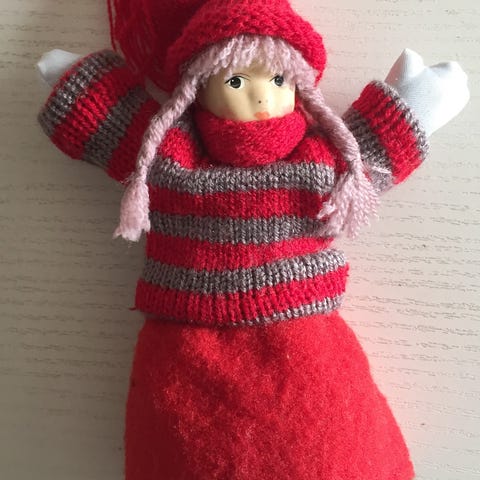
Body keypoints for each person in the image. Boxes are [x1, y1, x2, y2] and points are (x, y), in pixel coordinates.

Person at [36, 0, 469, 478]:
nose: (262, 98)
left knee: (329, 452)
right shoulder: (170, 159)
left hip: (303, 347)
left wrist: (413, 102)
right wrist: (82, 89)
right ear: (199, 89)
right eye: (237, 82)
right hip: (187, 349)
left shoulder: (316, 163)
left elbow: (367, 151)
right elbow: (118, 126)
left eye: (278, 80)